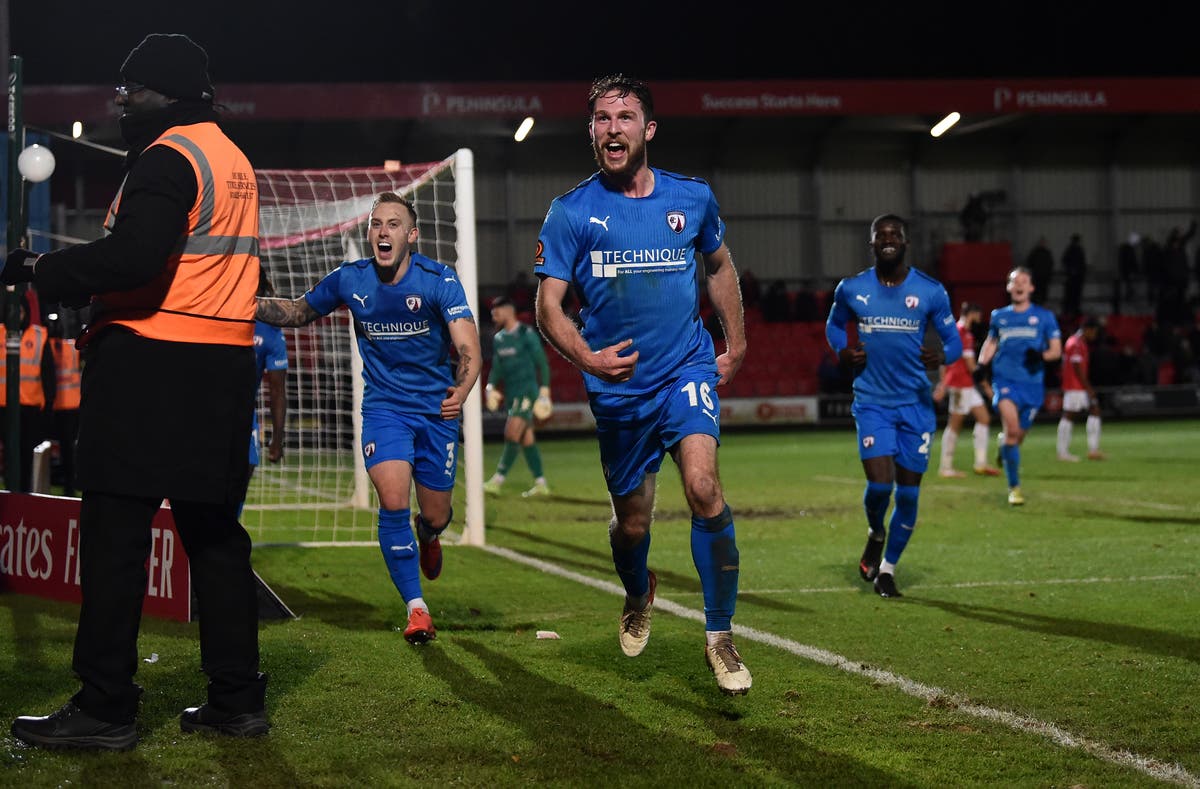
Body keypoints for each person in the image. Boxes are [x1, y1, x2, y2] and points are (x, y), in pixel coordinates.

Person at [3, 33, 269, 749]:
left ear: (166, 93)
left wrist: (38, 269)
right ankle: (237, 699)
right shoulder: (232, 160)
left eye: (130, 89)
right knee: (214, 535)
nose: (120, 101)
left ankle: (105, 705)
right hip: (222, 369)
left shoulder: (168, 157)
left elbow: (138, 255)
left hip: (152, 365)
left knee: (115, 537)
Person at [533, 74, 751, 695]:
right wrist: (590, 361)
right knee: (633, 523)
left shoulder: (693, 197)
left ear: (647, 130)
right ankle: (637, 590)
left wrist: (736, 344)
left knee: (705, 487)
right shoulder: (572, 212)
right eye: (601, 119)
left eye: (624, 117)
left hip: (684, 367)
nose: (612, 128)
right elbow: (548, 307)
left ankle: (720, 635)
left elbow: (719, 266)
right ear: (592, 133)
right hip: (619, 390)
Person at [255, 192, 481, 646]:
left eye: (394, 224)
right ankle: (417, 610)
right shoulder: (349, 279)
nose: (382, 231)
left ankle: (430, 533)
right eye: (376, 223)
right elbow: (299, 311)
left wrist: (463, 387)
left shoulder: (439, 280)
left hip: (436, 411)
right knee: (392, 497)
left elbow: (468, 348)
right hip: (385, 409)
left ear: (411, 235)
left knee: (435, 512)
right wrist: (248, 304)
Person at [826, 214, 962, 599]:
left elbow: (955, 342)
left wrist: (942, 354)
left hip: (916, 406)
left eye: (895, 235)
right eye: (880, 235)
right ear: (872, 244)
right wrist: (843, 350)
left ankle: (887, 569)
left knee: (909, 495)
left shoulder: (931, 291)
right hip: (872, 403)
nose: (888, 240)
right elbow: (834, 326)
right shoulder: (852, 289)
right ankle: (876, 531)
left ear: (905, 242)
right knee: (881, 485)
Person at [976, 266, 1063, 506]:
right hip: (1004, 381)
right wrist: (982, 364)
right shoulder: (999, 316)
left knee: (1017, 436)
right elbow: (991, 342)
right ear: (1008, 287)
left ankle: (1005, 446)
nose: (1019, 285)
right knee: (1013, 431)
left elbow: (1056, 351)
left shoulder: (1044, 317)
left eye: (1023, 281)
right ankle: (1014, 488)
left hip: (1032, 384)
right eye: (1014, 281)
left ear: (1031, 287)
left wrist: (1041, 356)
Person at [483, 295, 552, 497]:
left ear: (508, 311)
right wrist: (490, 387)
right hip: (513, 395)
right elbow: (497, 367)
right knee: (526, 439)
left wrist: (545, 391)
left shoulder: (526, 334)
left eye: (496, 313)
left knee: (511, 433)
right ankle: (541, 484)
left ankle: (498, 479)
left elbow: (542, 363)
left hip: (527, 393)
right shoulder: (499, 339)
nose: (494, 317)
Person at [932, 302, 1000, 478]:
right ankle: (945, 467)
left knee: (984, 418)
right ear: (971, 313)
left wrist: (942, 383)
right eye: (978, 314)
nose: (980, 318)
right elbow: (970, 365)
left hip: (966, 384)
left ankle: (981, 463)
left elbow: (944, 360)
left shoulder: (953, 331)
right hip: (961, 385)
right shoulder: (964, 334)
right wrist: (986, 387)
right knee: (954, 425)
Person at [243, 269, 289, 515]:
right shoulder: (218, 314)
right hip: (208, 408)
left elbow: (277, 389)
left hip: (243, 414)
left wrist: (277, 438)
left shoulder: (270, 331)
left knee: (245, 469)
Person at [0, 293, 56, 492]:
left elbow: (48, 374)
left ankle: (24, 494)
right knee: (9, 456)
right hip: (4, 407)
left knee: (25, 455)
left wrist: (49, 404)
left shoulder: (39, 336)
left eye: (21, 311)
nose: (17, 315)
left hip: (30, 408)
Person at [1056, 316, 1105, 462]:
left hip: (1076, 386)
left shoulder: (1076, 342)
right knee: (1069, 415)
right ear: (1088, 329)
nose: (1095, 335)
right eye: (1094, 332)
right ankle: (1063, 452)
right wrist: (1088, 387)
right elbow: (1077, 368)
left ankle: (1093, 450)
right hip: (1075, 386)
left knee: (1094, 410)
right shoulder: (1076, 343)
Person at [49, 317, 81, 496]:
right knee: (68, 451)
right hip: (71, 406)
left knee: (65, 450)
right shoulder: (73, 347)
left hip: (60, 406)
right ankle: (69, 485)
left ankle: (68, 485)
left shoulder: (51, 345)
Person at [1061, 234, 1087, 319]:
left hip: (1073, 278)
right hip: (1075, 278)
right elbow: (1082, 264)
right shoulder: (1077, 250)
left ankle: (1070, 310)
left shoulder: (1071, 250)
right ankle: (1072, 310)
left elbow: (1065, 261)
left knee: (1071, 295)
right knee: (1074, 295)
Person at [1025, 236, 1054, 306]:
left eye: (1043, 243)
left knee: (1043, 293)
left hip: (1045, 277)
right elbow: (1029, 263)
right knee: (1035, 293)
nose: (1042, 244)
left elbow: (1050, 264)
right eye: (1041, 243)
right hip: (1036, 277)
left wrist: (1049, 274)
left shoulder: (1047, 253)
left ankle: (1042, 306)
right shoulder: (1034, 253)